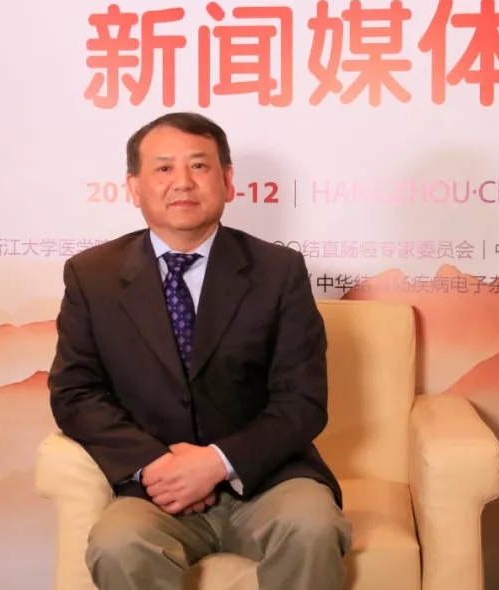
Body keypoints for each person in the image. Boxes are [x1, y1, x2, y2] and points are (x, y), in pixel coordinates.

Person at [47, 112, 352, 590]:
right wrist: (158, 467)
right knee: (118, 544)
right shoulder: (92, 276)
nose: (182, 182)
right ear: (134, 187)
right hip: (156, 490)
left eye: (199, 166)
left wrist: (215, 463)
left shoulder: (278, 271)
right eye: (163, 168)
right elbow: (75, 393)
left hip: (268, 480)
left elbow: (303, 400)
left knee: (313, 527)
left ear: (227, 181)